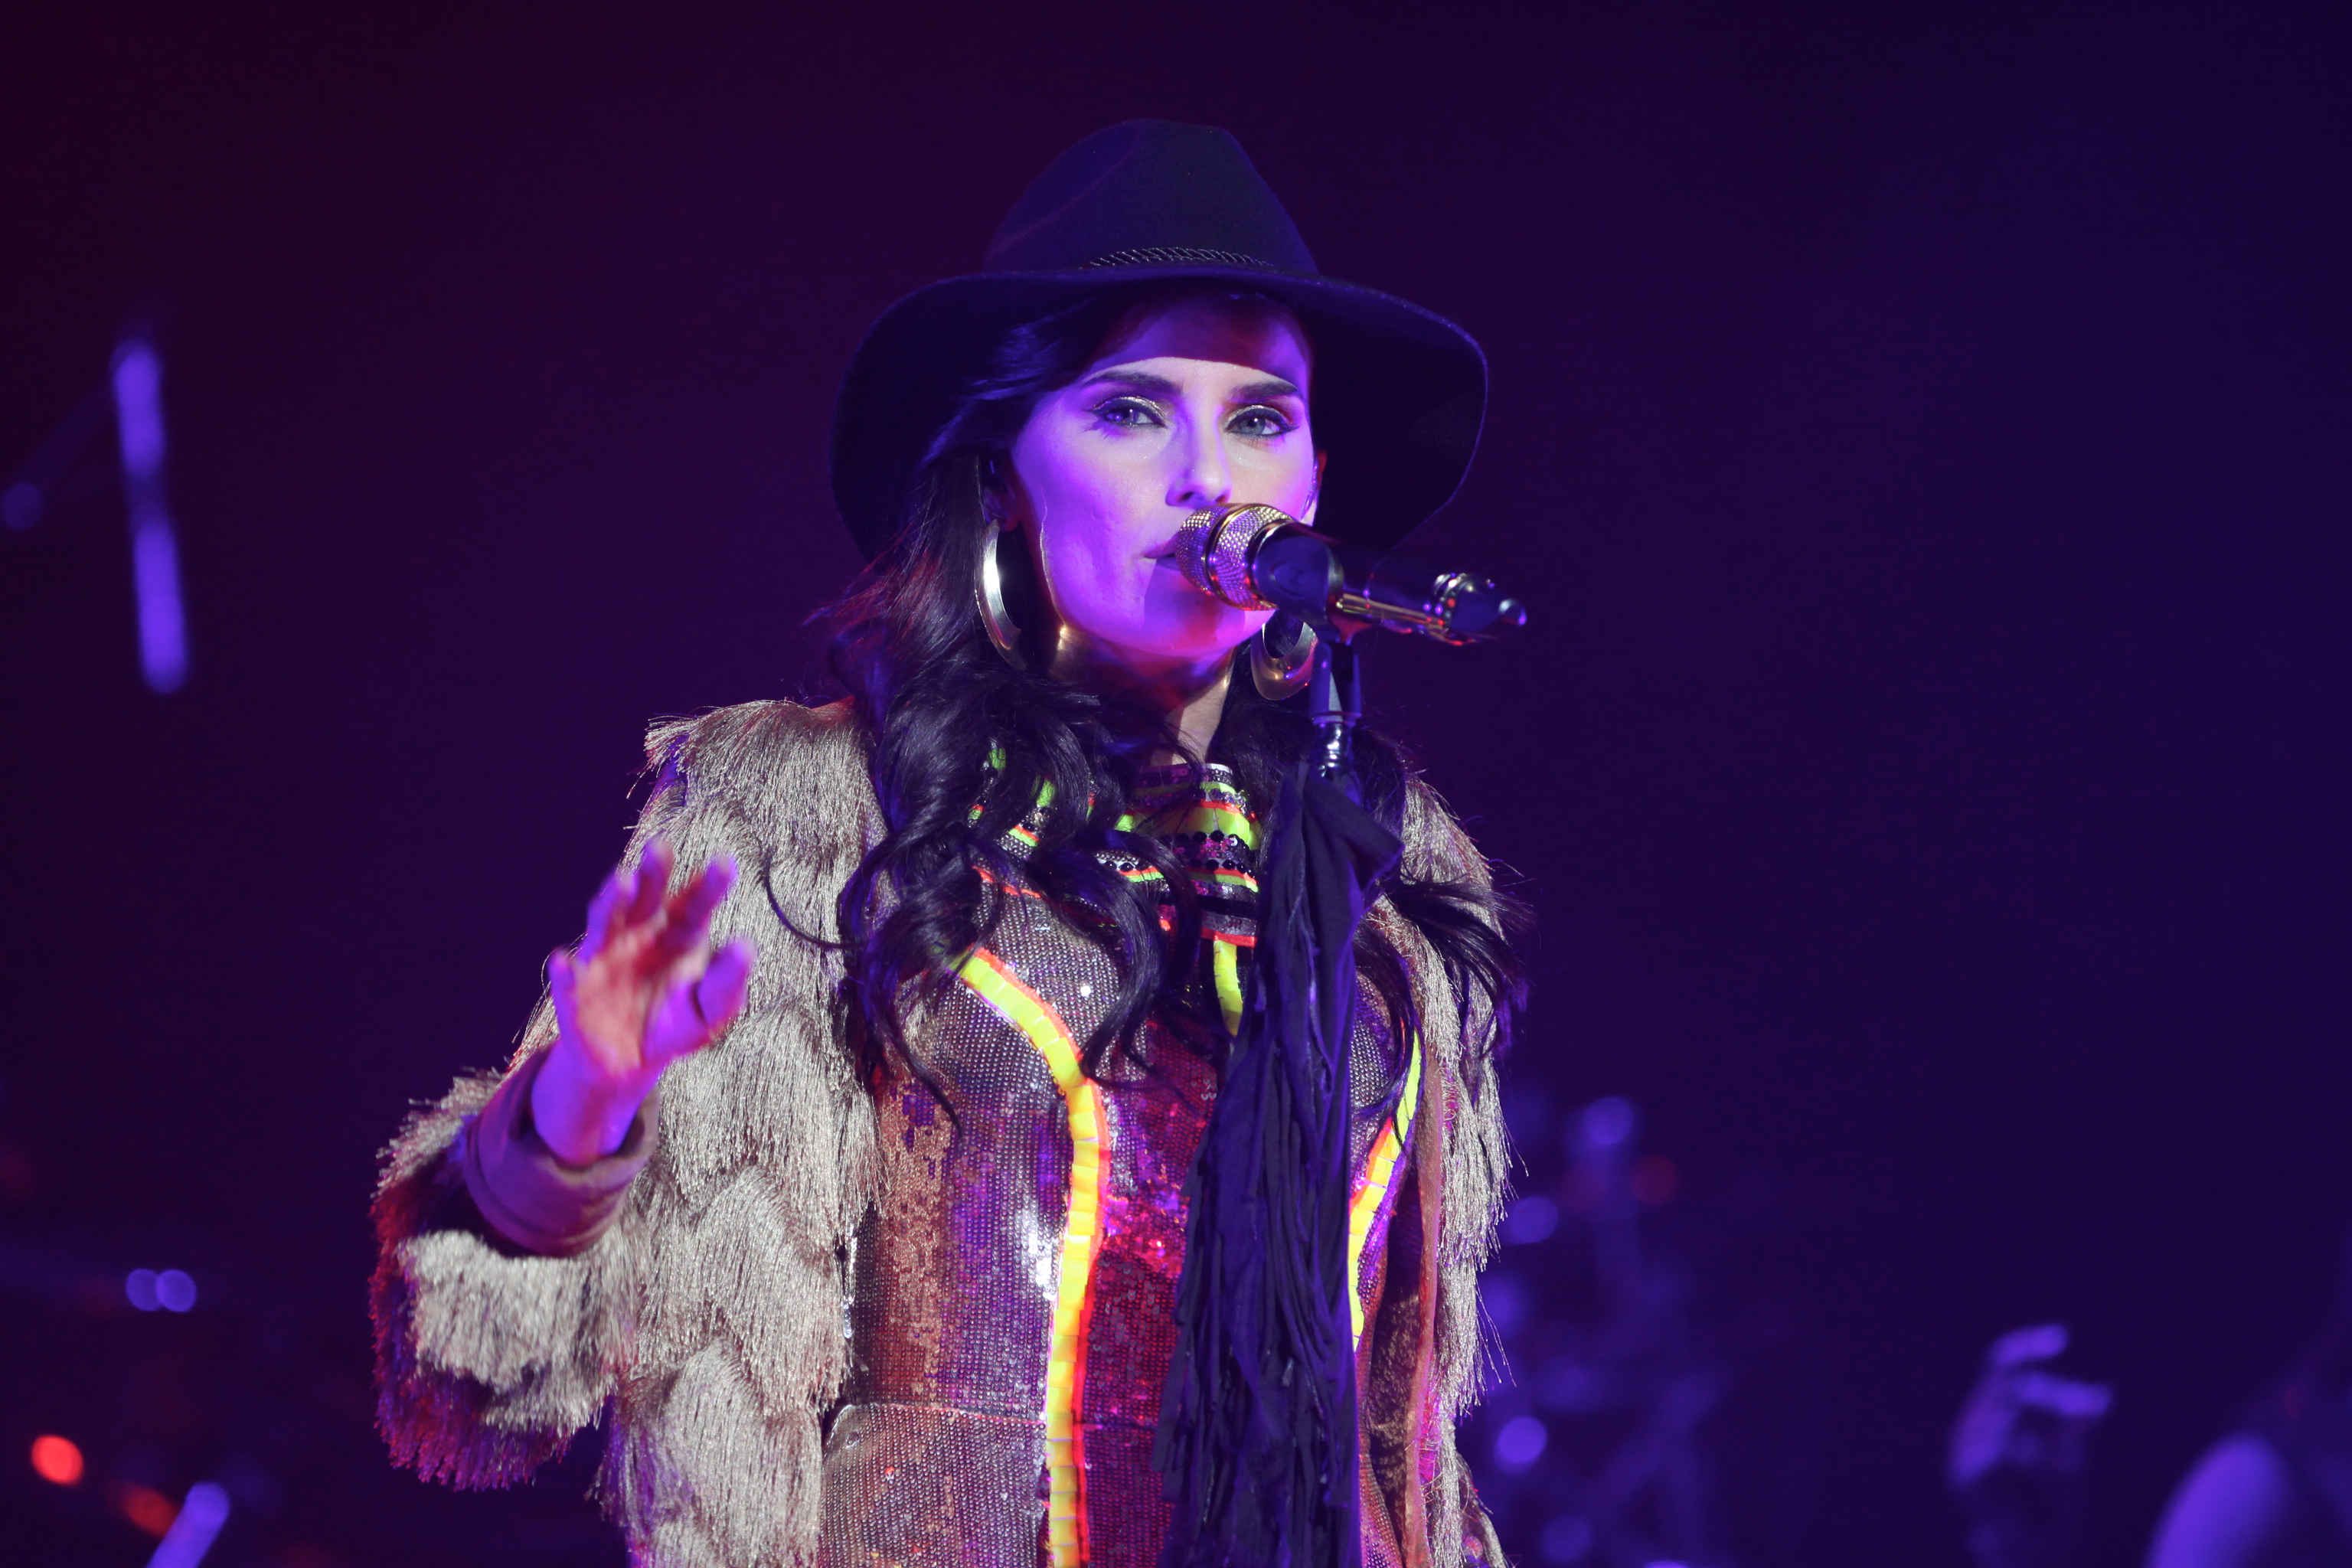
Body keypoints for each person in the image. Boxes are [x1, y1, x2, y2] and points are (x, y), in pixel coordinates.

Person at [368, 121, 1523, 1568]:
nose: (1203, 475)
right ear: (1006, 468)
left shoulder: (1387, 883)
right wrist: (584, 1105)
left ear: (1309, 481)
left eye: (1258, 418)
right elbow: (476, 1394)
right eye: (1128, 412)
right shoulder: (812, 820)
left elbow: (1408, 1445)